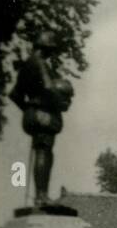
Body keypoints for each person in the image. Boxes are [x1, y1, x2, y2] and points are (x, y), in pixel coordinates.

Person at [8, 46, 74, 207]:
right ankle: (41, 196)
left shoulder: (26, 67)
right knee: (44, 152)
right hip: (44, 115)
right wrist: (59, 104)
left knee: (43, 151)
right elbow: (48, 87)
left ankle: (41, 195)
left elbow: (14, 95)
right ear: (48, 48)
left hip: (33, 113)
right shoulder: (40, 63)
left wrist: (28, 109)